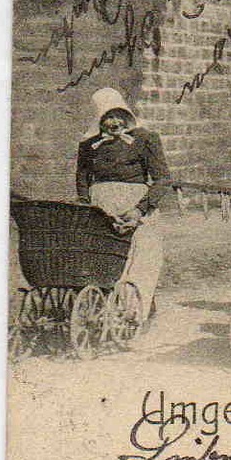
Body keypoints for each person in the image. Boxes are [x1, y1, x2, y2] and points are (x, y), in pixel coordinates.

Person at [74, 87, 168, 320]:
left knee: (141, 253)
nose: (114, 122)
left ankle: (135, 311)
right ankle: (101, 310)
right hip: (101, 208)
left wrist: (140, 209)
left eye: (118, 115)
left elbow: (163, 178)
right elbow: (82, 177)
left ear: (127, 115)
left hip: (136, 206)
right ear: (99, 119)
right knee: (103, 257)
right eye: (107, 117)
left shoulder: (145, 139)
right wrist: (88, 206)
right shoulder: (89, 145)